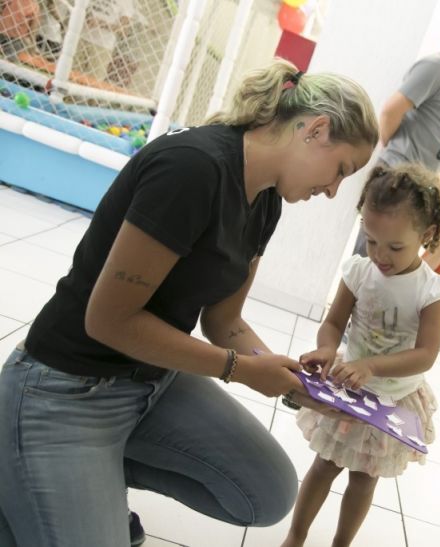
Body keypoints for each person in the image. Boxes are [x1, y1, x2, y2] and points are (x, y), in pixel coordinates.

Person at [0, 59, 378, 547]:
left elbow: (225, 320)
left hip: (150, 382)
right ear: (316, 129)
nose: (332, 191)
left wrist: (295, 384)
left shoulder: (265, 201)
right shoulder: (192, 167)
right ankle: (25, 474)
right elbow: (108, 320)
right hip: (65, 388)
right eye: (340, 170)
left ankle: (75, 485)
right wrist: (237, 369)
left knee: (266, 493)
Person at [281, 164, 440, 547]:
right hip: (348, 389)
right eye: (371, 240)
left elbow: (425, 355)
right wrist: (327, 348)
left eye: (395, 247)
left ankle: (341, 543)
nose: (380, 255)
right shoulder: (360, 271)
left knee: (363, 477)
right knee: (324, 464)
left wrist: (371, 365)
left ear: (426, 235)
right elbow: (333, 323)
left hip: (391, 398)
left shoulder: (432, 291)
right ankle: (296, 536)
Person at [353, 10, 440, 256]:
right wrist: (394, 159)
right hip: (399, 177)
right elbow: (390, 112)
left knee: (388, 260)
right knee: (372, 257)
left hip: (416, 182)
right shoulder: (435, 67)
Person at [73, 0, 135, 82]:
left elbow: (122, 29)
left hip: (102, 46)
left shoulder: (126, 2)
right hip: (82, 38)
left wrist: (100, 23)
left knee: (93, 81)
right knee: (71, 74)